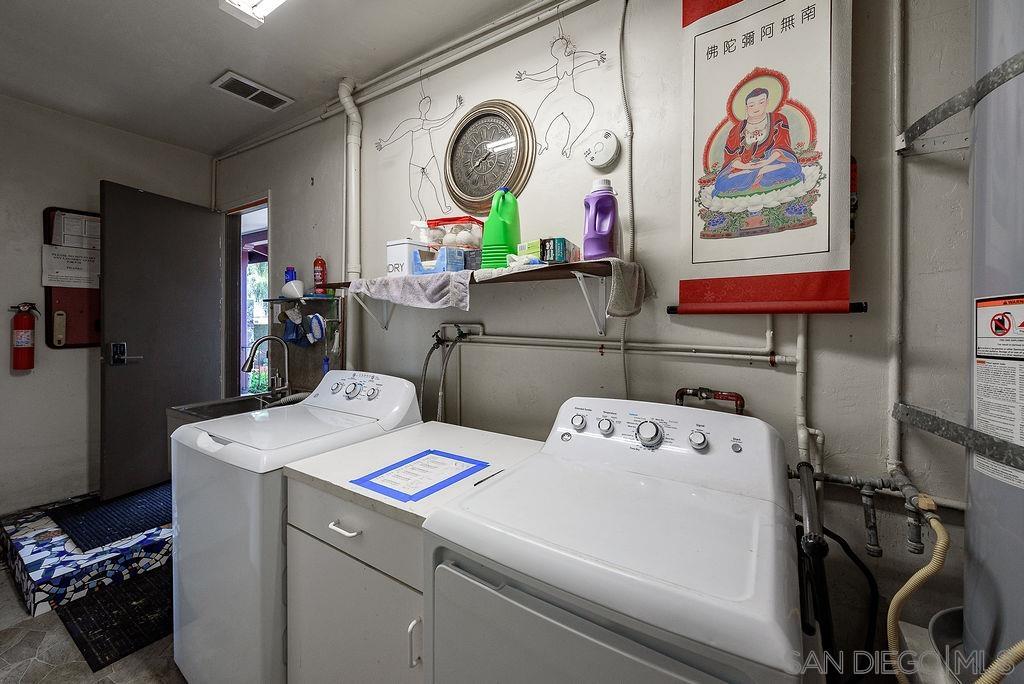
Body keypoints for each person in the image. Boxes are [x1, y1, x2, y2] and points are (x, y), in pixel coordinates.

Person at [515, 35, 606, 158]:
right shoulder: (557, 66)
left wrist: (595, 56)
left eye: (557, 47)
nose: (554, 50)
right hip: (556, 97)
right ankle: (542, 142)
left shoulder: (571, 60)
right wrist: (527, 76)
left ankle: (568, 146)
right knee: (540, 118)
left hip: (570, 97)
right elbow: (544, 75)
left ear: (562, 49)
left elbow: (582, 57)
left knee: (581, 117)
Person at [375, 94, 463, 219]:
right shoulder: (414, 123)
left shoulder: (424, 123)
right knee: (414, 194)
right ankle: (422, 217)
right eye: (424, 102)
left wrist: (455, 108)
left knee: (438, 185)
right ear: (421, 107)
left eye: (427, 103)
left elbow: (440, 121)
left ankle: (443, 207)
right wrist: (385, 142)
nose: (426, 104)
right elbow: (400, 131)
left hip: (429, 160)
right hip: (415, 163)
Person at [712, 87, 804, 198]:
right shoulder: (736, 130)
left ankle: (757, 174)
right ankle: (758, 173)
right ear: (746, 107)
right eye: (751, 105)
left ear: (767, 102)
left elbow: (782, 146)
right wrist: (745, 166)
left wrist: (766, 163)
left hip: (771, 163)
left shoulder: (778, 119)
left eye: (761, 102)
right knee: (721, 183)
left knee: (793, 168)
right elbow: (731, 157)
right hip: (744, 168)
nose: (756, 107)